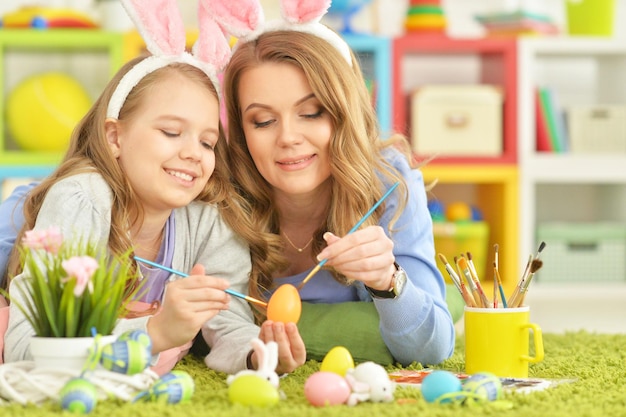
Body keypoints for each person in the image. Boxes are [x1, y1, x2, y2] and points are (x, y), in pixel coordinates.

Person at [2, 0, 261, 375]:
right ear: (115, 137)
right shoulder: (82, 199)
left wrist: (258, 352)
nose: (194, 153)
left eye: (207, 142)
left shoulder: (210, 221)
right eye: (171, 132)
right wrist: (153, 334)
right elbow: (29, 349)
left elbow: (230, 325)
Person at [221, 0, 455, 367]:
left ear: (344, 111)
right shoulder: (223, 192)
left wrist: (386, 280)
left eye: (312, 113)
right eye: (263, 121)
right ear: (240, 130)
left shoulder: (388, 180)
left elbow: (433, 348)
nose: (288, 138)